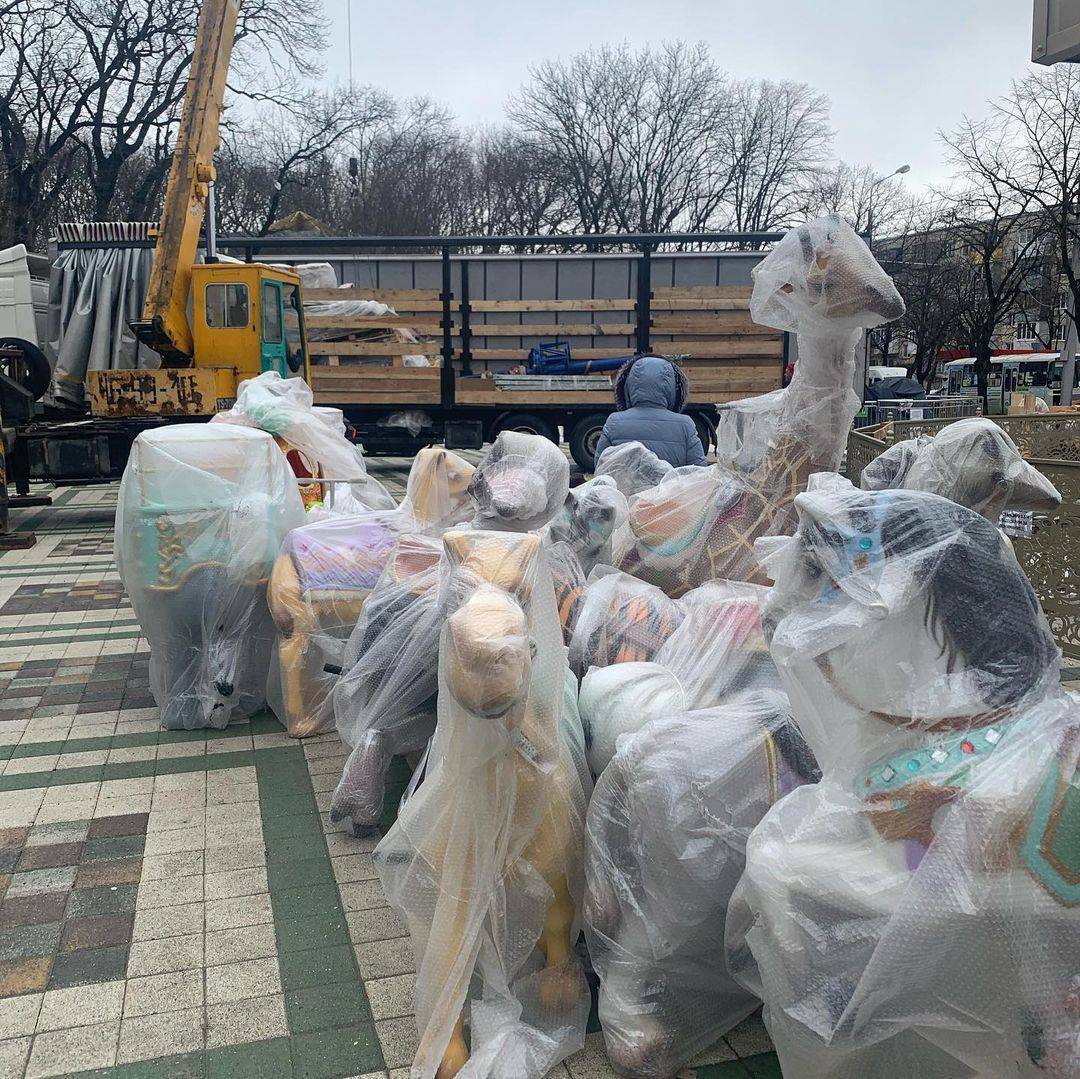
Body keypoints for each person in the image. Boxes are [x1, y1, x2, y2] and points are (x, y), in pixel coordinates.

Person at [593, 355, 707, 469]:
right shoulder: (685, 425)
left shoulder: (614, 422)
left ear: (628, 386)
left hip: (624, 487)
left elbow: (601, 467)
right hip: (671, 487)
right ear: (674, 389)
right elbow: (698, 473)